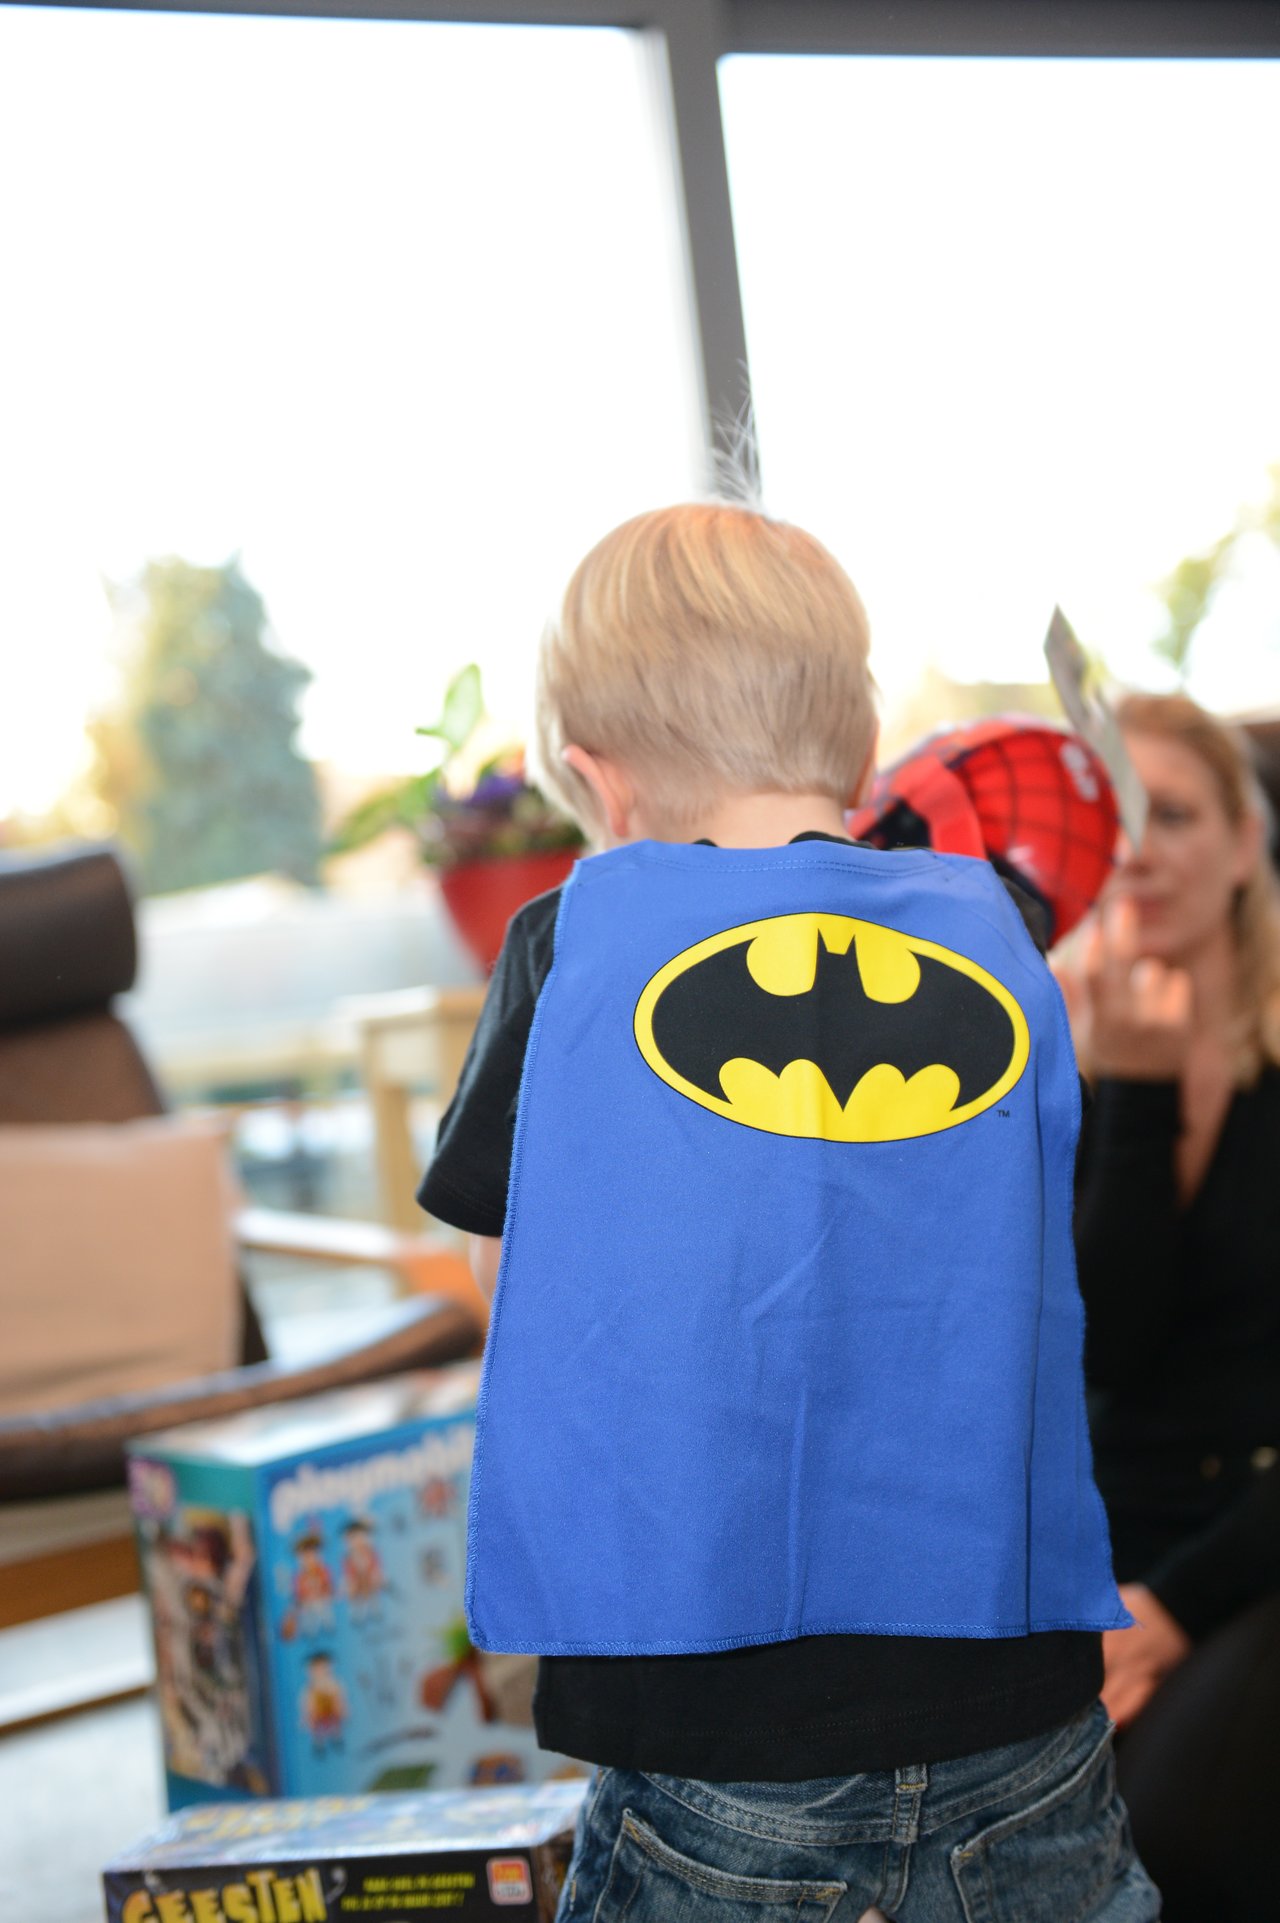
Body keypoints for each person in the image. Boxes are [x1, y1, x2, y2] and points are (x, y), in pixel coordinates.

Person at [420, 502, 1158, 1922]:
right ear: (863, 738)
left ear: (596, 778)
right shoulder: (998, 926)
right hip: (1025, 1707)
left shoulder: (573, 939)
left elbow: (512, 1269)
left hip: (718, 1724)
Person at [1071, 691, 1280, 1923]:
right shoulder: (1049, 1062)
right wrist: (1133, 1103)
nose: (1141, 845)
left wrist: (1177, 1608)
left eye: (1177, 813)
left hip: (1252, 1555)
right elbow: (1110, 1349)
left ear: (1246, 845)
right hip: (1104, 1566)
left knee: (1179, 1836)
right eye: (1119, 814)